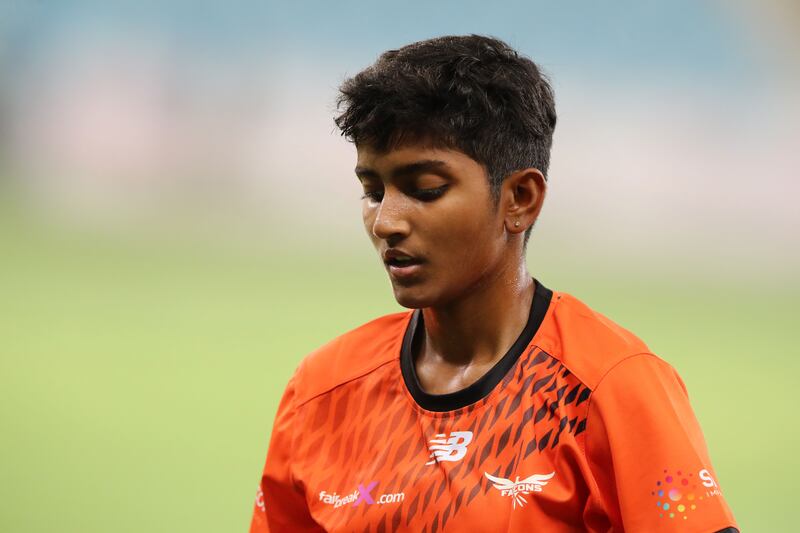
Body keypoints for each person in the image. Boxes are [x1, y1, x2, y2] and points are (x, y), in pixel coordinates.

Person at [249, 35, 738, 533]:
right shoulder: (322, 392)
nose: (386, 221)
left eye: (425, 189)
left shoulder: (612, 388)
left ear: (520, 198)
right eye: (372, 191)